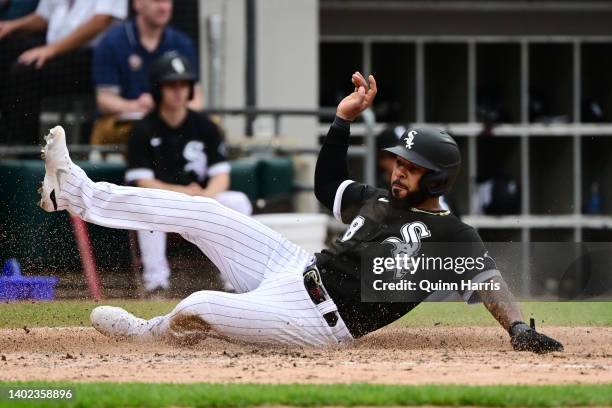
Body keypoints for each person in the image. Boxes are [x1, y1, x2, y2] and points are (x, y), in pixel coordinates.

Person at [38, 72, 563, 353]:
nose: (398, 170)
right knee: (201, 211)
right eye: (398, 161)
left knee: (200, 303)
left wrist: (518, 330)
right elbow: (326, 184)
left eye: (411, 167)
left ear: (439, 179)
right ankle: (74, 191)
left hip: (317, 322)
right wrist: (341, 121)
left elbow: (490, 281)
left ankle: (147, 333)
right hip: (292, 265)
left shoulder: (451, 236)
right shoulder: (379, 200)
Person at [127, 51, 252, 295]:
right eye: (171, 84)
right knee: (146, 211)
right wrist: (184, 193)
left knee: (238, 201)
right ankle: (156, 283)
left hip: (202, 200)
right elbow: (142, 181)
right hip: (165, 203)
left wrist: (205, 196)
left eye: (184, 84)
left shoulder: (206, 126)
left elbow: (221, 176)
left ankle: (234, 282)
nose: (178, 90)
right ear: (158, 88)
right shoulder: (143, 129)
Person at [0, 0, 127, 144]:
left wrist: (51, 50)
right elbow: (43, 17)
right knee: (4, 50)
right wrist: (12, 26)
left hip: (92, 57)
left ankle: (26, 152)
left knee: (24, 72)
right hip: (58, 49)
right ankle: (6, 138)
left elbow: (100, 21)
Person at [91, 0, 202, 144]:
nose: (163, 7)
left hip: (172, 122)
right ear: (137, 4)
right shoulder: (111, 43)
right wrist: (136, 106)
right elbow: (104, 100)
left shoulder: (183, 44)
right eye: (156, 1)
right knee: (137, 132)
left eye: (167, 1)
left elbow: (197, 100)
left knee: (211, 126)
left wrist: (165, 107)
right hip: (126, 124)